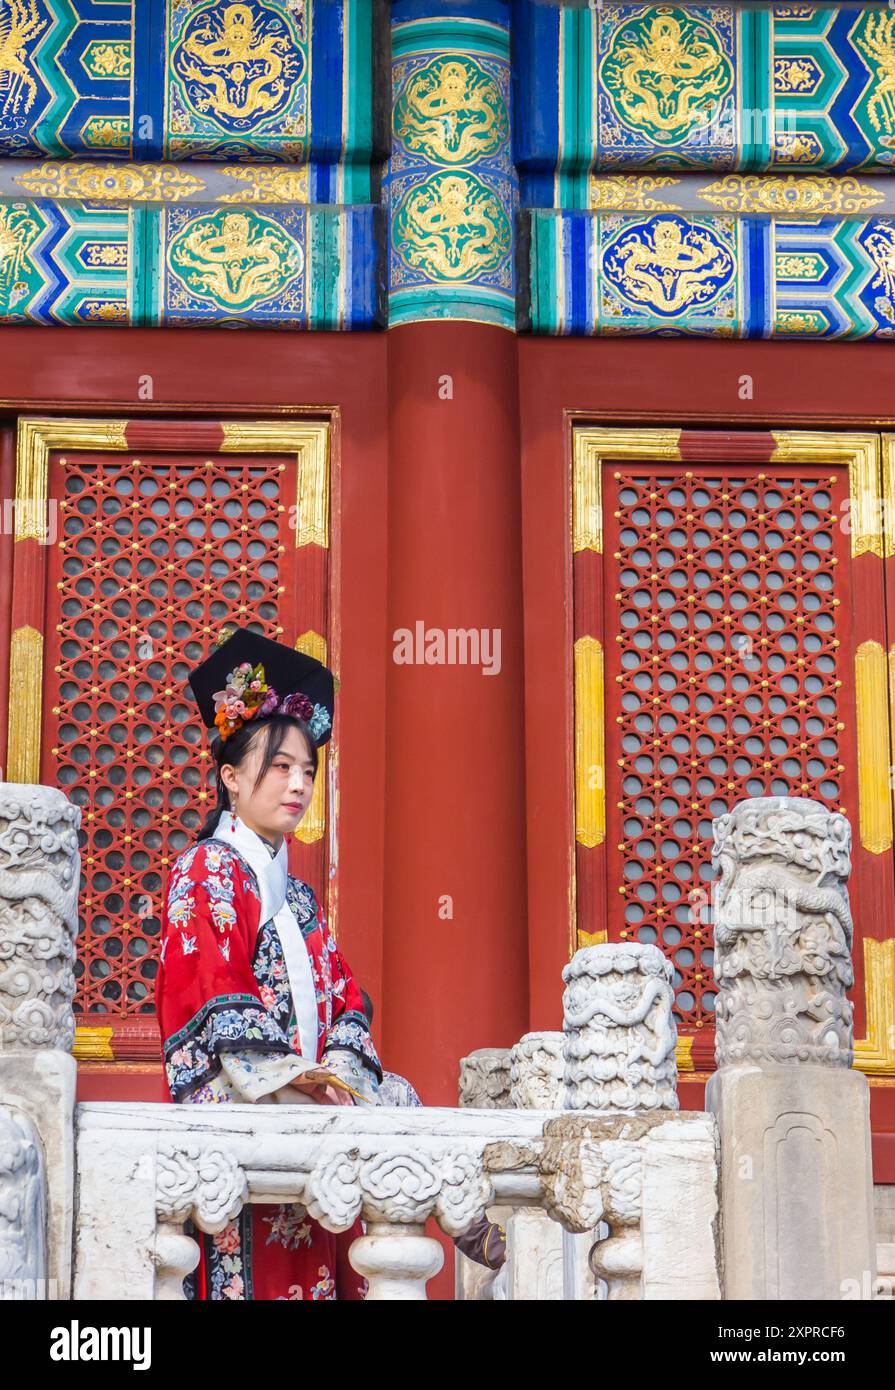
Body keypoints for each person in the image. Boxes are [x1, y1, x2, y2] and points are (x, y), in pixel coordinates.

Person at [155, 626, 383, 1300]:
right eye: (279, 767)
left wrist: (334, 1074)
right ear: (229, 777)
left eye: (307, 770)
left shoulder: (299, 896)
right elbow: (210, 990)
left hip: (311, 1114)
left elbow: (347, 998)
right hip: (249, 1119)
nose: (298, 784)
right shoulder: (206, 871)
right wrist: (289, 1079)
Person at [358, 990, 507, 1274]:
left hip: (383, 1248)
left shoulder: (393, 1092)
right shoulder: (294, 1096)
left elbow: (438, 1168)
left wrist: (486, 1241)